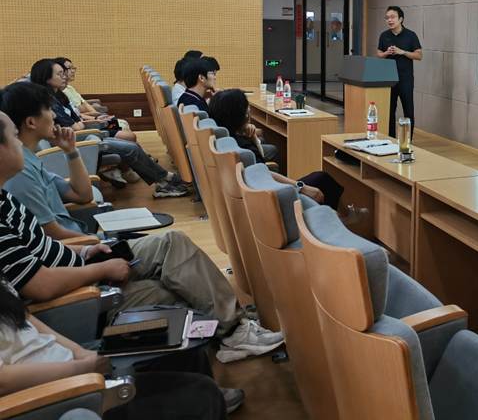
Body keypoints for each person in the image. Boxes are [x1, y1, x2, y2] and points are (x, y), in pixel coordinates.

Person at [0, 108, 283, 364]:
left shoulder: (5, 198)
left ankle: (233, 327)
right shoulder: (12, 194)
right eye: (13, 138)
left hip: (81, 265)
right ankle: (232, 331)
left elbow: (46, 242)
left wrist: (85, 252)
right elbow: (39, 286)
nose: (19, 144)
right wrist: (101, 268)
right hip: (73, 295)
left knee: (173, 244)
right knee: (174, 288)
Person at [0, 279, 240, 417]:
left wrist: (82, 355)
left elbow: (24, 317)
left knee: (182, 350)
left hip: (72, 364)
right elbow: (3, 380)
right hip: (55, 393)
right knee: (203, 394)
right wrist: (81, 369)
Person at [24, 67, 188, 198]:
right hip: (87, 136)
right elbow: (76, 126)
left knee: (124, 130)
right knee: (129, 142)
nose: (66, 75)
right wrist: (92, 122)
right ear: (46, 78)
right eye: (60, 73)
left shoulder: (61, 95)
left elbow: (77, 118)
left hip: (91, 130)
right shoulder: (49, 101)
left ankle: (149, 174)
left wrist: (94, 119)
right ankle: (159, 178)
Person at [208, 89, 344, 209]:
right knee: (323, 179)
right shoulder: (245, 149)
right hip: (273, 198)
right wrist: (301, 187)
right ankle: (341, 218)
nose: (248, 110)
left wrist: (253, 138)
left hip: (256, 196)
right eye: (246, 107)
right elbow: (265, 174)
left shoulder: (226, 141)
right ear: (240, 115)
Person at [53, 58, 136, 142]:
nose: (73, 71)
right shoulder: (56, 100)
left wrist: (96, 117)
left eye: (73, 68)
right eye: (69, 69)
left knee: (121, 125)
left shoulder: (68, 90)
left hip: (87, 123)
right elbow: (78, 117)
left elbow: (83, 106)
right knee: (125, 130)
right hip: (85, 129)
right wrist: (95, 118)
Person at [376, 6, 422, 137]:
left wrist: (402, 52)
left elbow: (419, 55)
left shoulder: (411, 35)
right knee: (389, 110)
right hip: (388, 79)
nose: (389, 20)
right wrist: (386, 53)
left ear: (401, 19)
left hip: (405, 79)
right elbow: (378, 53)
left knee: (408, 110)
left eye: (392, 17)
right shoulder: (384, 35)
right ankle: (390, 138)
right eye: (387, 18)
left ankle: (408, 140)